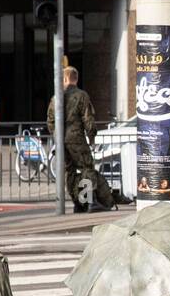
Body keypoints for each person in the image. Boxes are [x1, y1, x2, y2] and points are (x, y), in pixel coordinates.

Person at [47, 66, 129, 212]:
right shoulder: (81, 95)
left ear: (64, 79)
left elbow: (50, 121)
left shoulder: (56, 98)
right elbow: (88, 120)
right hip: (76, 139)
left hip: (61, 141)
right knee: (87, 168)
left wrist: (57, 137)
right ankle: (89, 202)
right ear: (75, 78)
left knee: (70, 171)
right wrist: (91, 138)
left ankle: (77, 204)